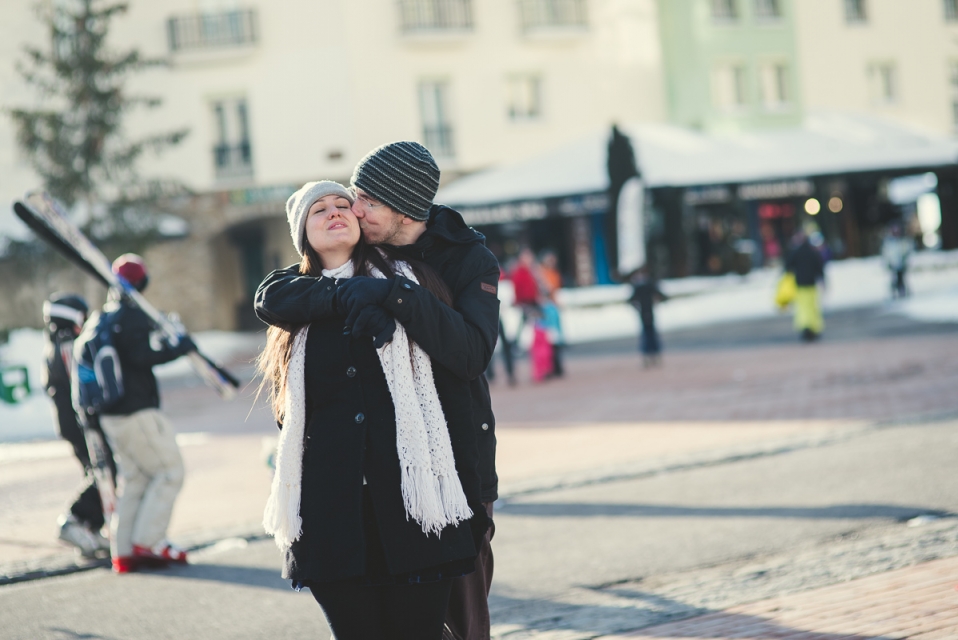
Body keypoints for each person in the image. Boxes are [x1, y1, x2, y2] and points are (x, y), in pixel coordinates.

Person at [255, 142, 501, 640]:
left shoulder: (446, 267)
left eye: (360, 200)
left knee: (463, 626)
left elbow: (470, 353)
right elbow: (276, 297)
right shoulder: (303, 294)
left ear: (401, 206)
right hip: (339, 507)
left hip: (443, 482)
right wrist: (345, 293)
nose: (351, 207)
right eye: (332, 205)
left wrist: (391, 294)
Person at [98, 254, 196, 573]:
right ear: (143, 281)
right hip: (137, 411)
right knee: (169, 472)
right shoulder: (133, 314)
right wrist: (178, 347)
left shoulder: (105, 316)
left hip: (110, 415)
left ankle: (123, 551)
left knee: (137, 478)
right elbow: (141, 357)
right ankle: (150, 542)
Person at [42, 292, 113, 558]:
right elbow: (79, 385)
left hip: (71, 421)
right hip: (78, 420)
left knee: (96, 470)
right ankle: (73, 519)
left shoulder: (54, 343)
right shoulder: (65, 344)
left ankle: (91, 528)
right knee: (104, 470)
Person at [784, 231, 825, 342]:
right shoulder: (812, 252)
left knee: (803, 308)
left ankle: (805, 328)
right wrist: (823, 281)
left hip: (800, 284)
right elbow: (819, 267)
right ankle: (814, 328)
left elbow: (787, 266)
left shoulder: (795, 252)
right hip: (811, 284)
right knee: (812, 307)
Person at [628, 267, 667, 367]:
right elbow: (662, 296)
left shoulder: (642, 286)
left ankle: (650, 357)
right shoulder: (647, 285)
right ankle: (652, 356)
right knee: (649, 335)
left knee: (648, 335)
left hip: (645, 312)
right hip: (647, 312)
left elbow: (631, 300)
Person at [881, 223, 912, 299]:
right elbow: (886, 253)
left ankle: (902, 291)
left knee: (901, 278)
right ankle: (894, 292)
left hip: (901, 263)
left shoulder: (902, 241)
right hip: (893, 263)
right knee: (894, 278)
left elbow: (906, 251)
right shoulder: (889, 242)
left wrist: (905, 260)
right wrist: (888, 262)